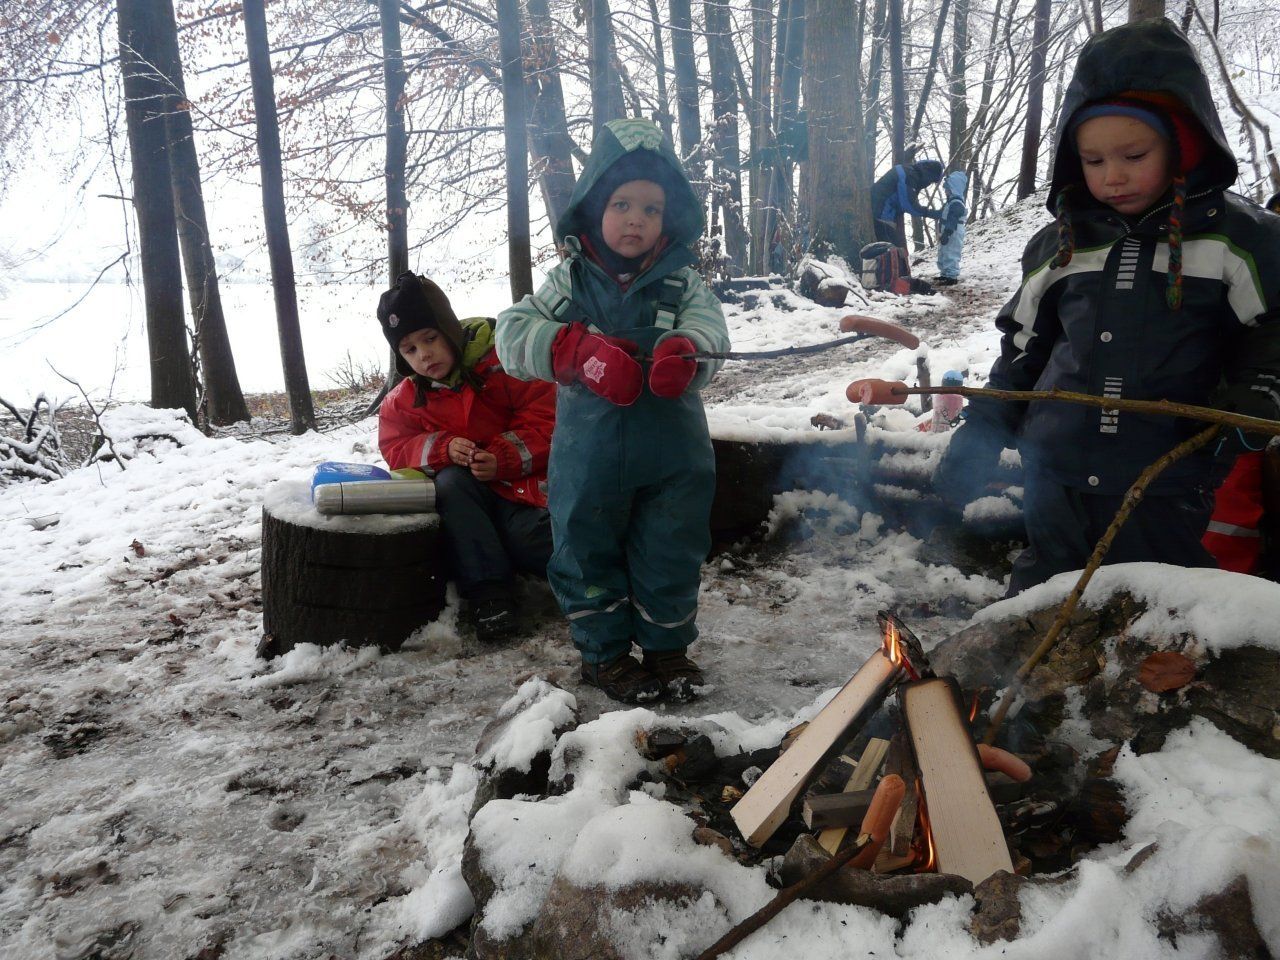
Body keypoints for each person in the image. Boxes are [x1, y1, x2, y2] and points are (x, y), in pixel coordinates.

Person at [935, 19, 1280, 596]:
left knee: (1152, 608)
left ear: (1183, 143)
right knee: (1045, 595)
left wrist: (1255, 396)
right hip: (1056, 470)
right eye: (1093, 161)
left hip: (1168, 475)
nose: (1113, 176)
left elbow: (1271, 331)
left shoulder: (1239, 240)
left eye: (1133, 154)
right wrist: (984, 430)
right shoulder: (1061, 245)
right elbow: (1022, 350)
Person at [495, 119, 730, 704]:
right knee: (586, 546)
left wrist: (687, 353)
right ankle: (604, 656)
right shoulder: (570, 282)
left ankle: (667, 648)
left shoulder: (683, 284)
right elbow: (513, 332)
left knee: (671, 546)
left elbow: (712, 333)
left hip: (673, 457)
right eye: (621, 204)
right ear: (594, 209)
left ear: (668, 218)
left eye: (651, 208)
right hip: (589, 456)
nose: (635, 219)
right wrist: (571, 350)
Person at [377, 272, 555, 642]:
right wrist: (442, 448)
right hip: (465, 502)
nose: (424, 355)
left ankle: (600, 581)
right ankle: (489, 596)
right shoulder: (404, 401)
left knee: (533, 542)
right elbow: (396, 448)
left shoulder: (504, 364)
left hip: (523, 490)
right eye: (410, 350)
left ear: (449, 329)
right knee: (451, 483)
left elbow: (549, 417)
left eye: (430, 338)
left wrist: (503, 456)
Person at [870, 158, 943, 248]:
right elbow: (909, 205)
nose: (929, 184)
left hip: (883, 212)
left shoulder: (909, 172)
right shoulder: (909, 175)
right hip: (881, 213)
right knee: (889, 250)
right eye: (931, 181)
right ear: (929, 175)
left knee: (892, 249)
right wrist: (931, 213)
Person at [935, 171, 969, 286]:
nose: (945, 191)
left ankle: (951, 276)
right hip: (947, 230)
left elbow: (953, 219)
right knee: (943, 252)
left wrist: (947, 233)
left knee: (951, 252)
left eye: (947, 189)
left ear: (954, 189)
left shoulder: (957, 203)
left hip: (953, 231)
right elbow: (943, 215)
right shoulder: (950, 203)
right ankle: (945, 273)